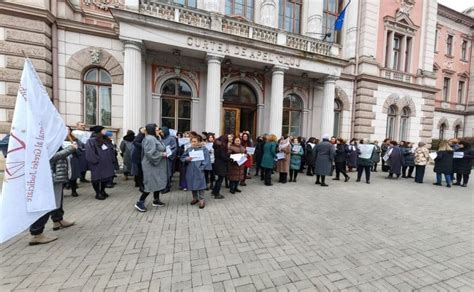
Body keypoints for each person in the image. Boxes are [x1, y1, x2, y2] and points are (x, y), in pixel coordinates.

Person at [29, 145, 77, 245]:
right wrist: (70, 149)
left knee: (57, 201)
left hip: (56, 176)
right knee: (47, 205)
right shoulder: (42, 137)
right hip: (48, 177)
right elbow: (50, 156)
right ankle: (37, 233)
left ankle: (58, 220)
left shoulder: (52, 136)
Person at [134, 124, 167, 212]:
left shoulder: (154, 138)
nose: (159, 131)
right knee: (150, 183)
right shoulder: (149, 139)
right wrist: (162, 154)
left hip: (156, 165)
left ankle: (156, 200)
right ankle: (140, 202)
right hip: (150, 165)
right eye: (157, 130)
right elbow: (150, 153)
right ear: (152, 130)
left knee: (157, 181)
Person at [85, 126, 117, 200]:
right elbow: (90, 152)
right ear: (99, 131)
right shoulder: (91, 140)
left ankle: (102, 191)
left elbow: (111, 149)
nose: (105, 131)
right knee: (96, 178)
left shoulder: (105, 139)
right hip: (97, 164)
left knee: (106, 178)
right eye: (103, 130)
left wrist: (112, 158)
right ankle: (98, 193)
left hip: (106, 163)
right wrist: (96, 160)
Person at [181, 135, 211, 209]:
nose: (193, 143)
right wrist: (187, 158)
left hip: (199, 170)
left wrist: (201, 168)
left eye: (195, 141)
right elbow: (182, 157)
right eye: (192, 141)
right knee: (192, 184)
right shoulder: (189, 149)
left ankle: (201, 200)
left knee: (200, 185)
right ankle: (195, 198)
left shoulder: (204, 149)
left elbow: (206, 160)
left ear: (199, 142)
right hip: (190, 169)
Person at [64, 126, 83, 197]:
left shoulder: (75, 139)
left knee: (73, 177)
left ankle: (73, 190)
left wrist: (75, 147)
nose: (67, 131)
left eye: (68, 130)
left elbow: (80, 152)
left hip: (73, 160)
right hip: (63, 160)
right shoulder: (58, 139)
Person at [159, 126, 177, 194]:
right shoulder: (160, 139)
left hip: (168, 158)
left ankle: (167, 186)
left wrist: (168, 154)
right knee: (161, 173)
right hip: (161, 158)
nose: (161, 133)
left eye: (162, 132)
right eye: (161, 132)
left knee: (167, 172)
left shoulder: (171, 139)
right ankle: (162, 186)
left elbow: (174, 148)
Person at [131, 127, 145, 192]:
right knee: (140, 172)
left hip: (141, 157)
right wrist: (144, 146)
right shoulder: (140, 136)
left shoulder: (143, 136)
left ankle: (141, 185)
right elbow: (135, 142)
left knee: (141, 172)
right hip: (139, 157)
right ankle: (141, 186)